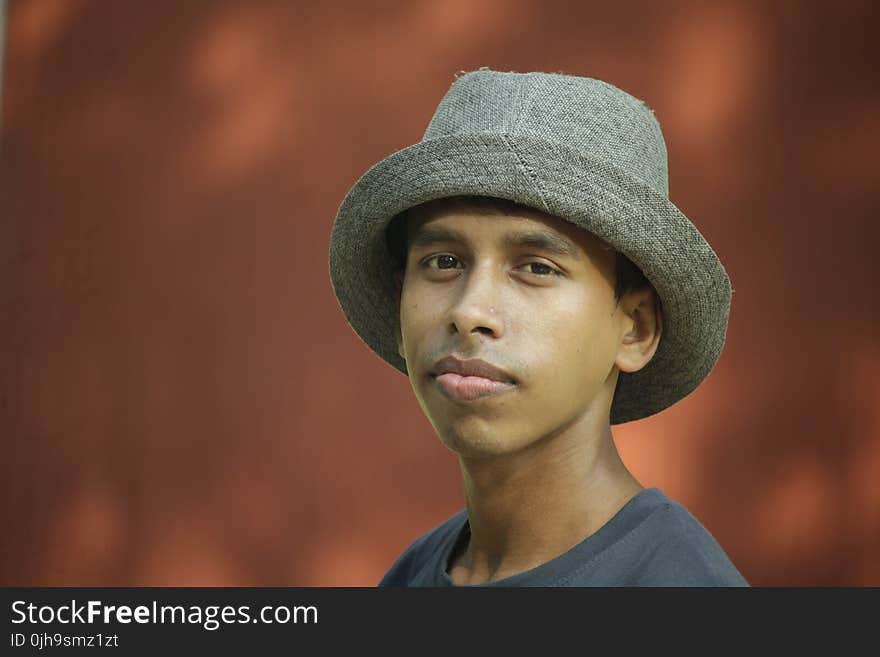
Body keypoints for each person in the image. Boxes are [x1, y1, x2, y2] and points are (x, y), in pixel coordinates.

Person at [328, 67, 748, 586]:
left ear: (635, 328)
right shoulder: (413, 575)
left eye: (537, 267)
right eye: (443, 262)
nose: (469, 311)